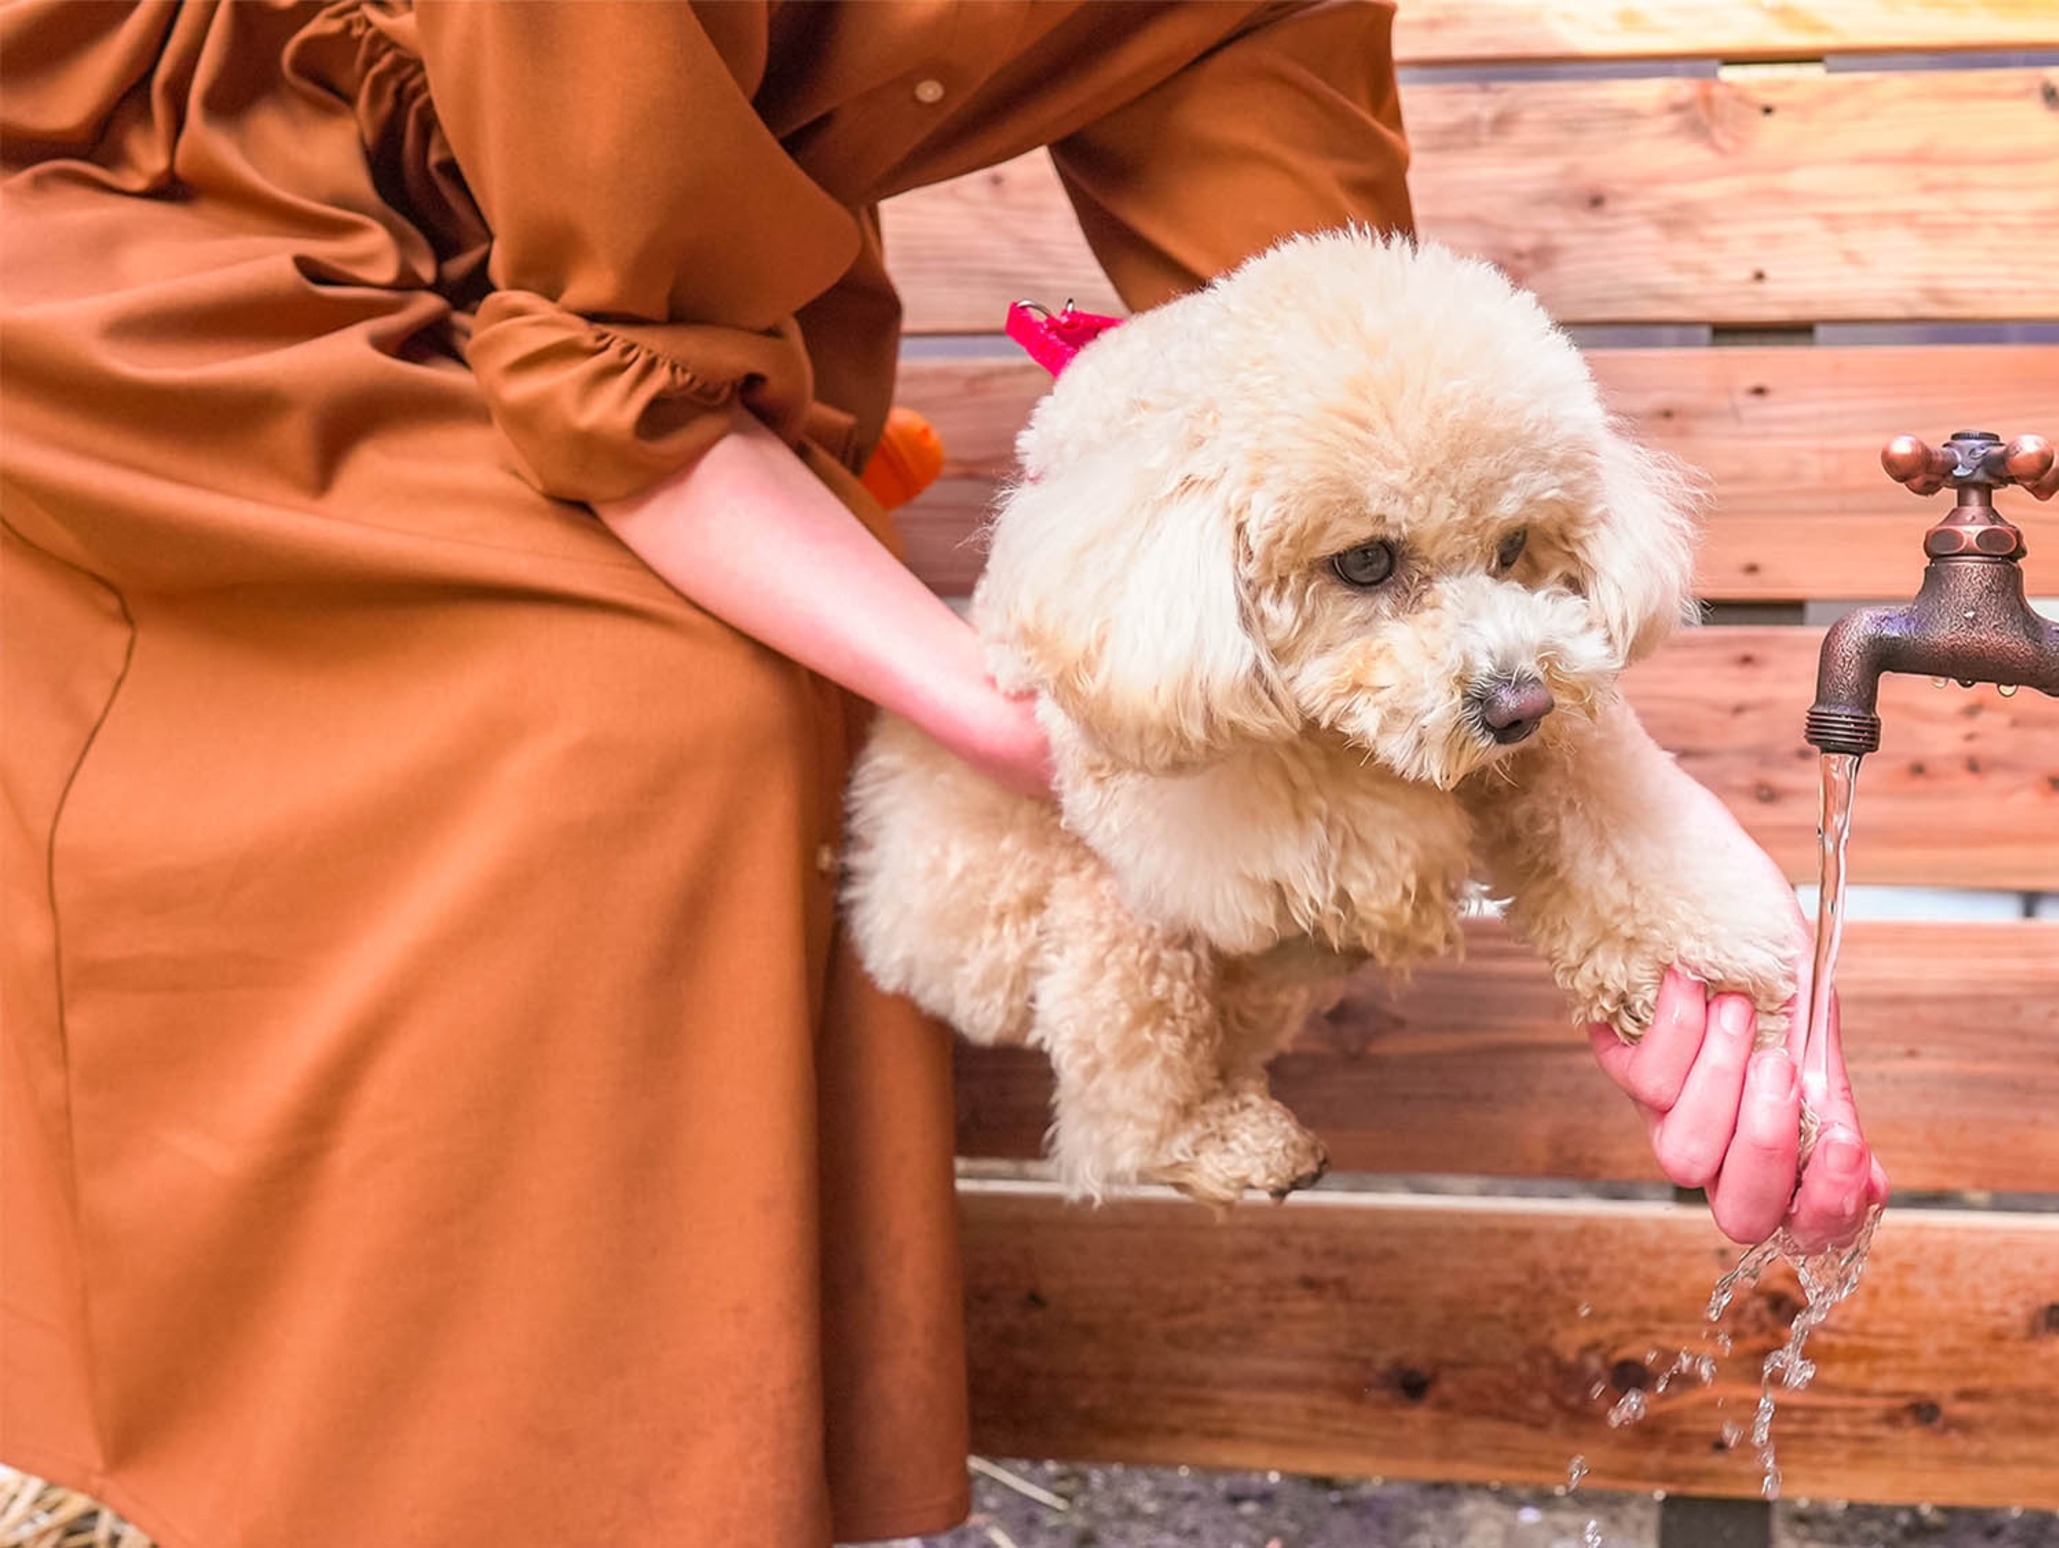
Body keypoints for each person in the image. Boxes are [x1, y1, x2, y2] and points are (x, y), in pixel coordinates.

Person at [0, 4, 1885, 1544]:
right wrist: (1038, 725)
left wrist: (1625, 834)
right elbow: (613, 371)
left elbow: (1347, 419)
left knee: (750, 716)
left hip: (596, 316)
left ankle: (647, 1482)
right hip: (154, 238)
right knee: (665, 721)